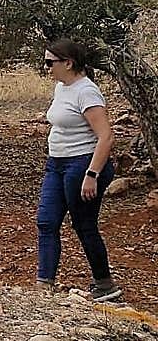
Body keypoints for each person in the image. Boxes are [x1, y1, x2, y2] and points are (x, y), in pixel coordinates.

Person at [37, 39, 121, 301]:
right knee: (46, 221)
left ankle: (104, 284)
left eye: (50, 62)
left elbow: (106, 136)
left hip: (82, 164)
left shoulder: (87, 92)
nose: (46, 67)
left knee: (84, 224)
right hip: (57, 163)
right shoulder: (62, 87)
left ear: (68, 63)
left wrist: (92, 174)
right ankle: (44, 285)